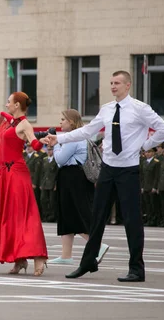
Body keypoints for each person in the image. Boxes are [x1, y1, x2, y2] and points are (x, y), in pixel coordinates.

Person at [45, 70, 164, 282]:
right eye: (111, 83)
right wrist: (59, 139)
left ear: (128, 85)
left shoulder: (140, 109)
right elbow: (86, 131)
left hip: (128, 169)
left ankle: (136, 269)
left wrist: (144, 145)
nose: (113, 86)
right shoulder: (107, 109)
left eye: (117, 83)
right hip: (108, 168)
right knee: (97, 217)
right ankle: (88, 262)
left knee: (132, 220)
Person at [0, 92, 48, 276]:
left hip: (18, 174)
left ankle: (38, 256)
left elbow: (34, 144)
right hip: (8, 174)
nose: (6, 105)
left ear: (17, 105)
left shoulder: (25, 124)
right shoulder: (13, 122)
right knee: (10, 217)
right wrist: (2, 114)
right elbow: (8, 117)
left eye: (9, 102)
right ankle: (19, 259)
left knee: (25, 214)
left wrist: (42, 141)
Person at [48, 109, 109, 266]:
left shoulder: (74, 138)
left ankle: (97, 245)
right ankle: (66, 255)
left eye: (63, 119)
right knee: (66, 214)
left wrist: (54, 145)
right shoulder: (76, 137)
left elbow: (60, 159)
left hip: (73, 177)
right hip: (73, 177)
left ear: (72, 122)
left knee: (76, 213)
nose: (60, 122)